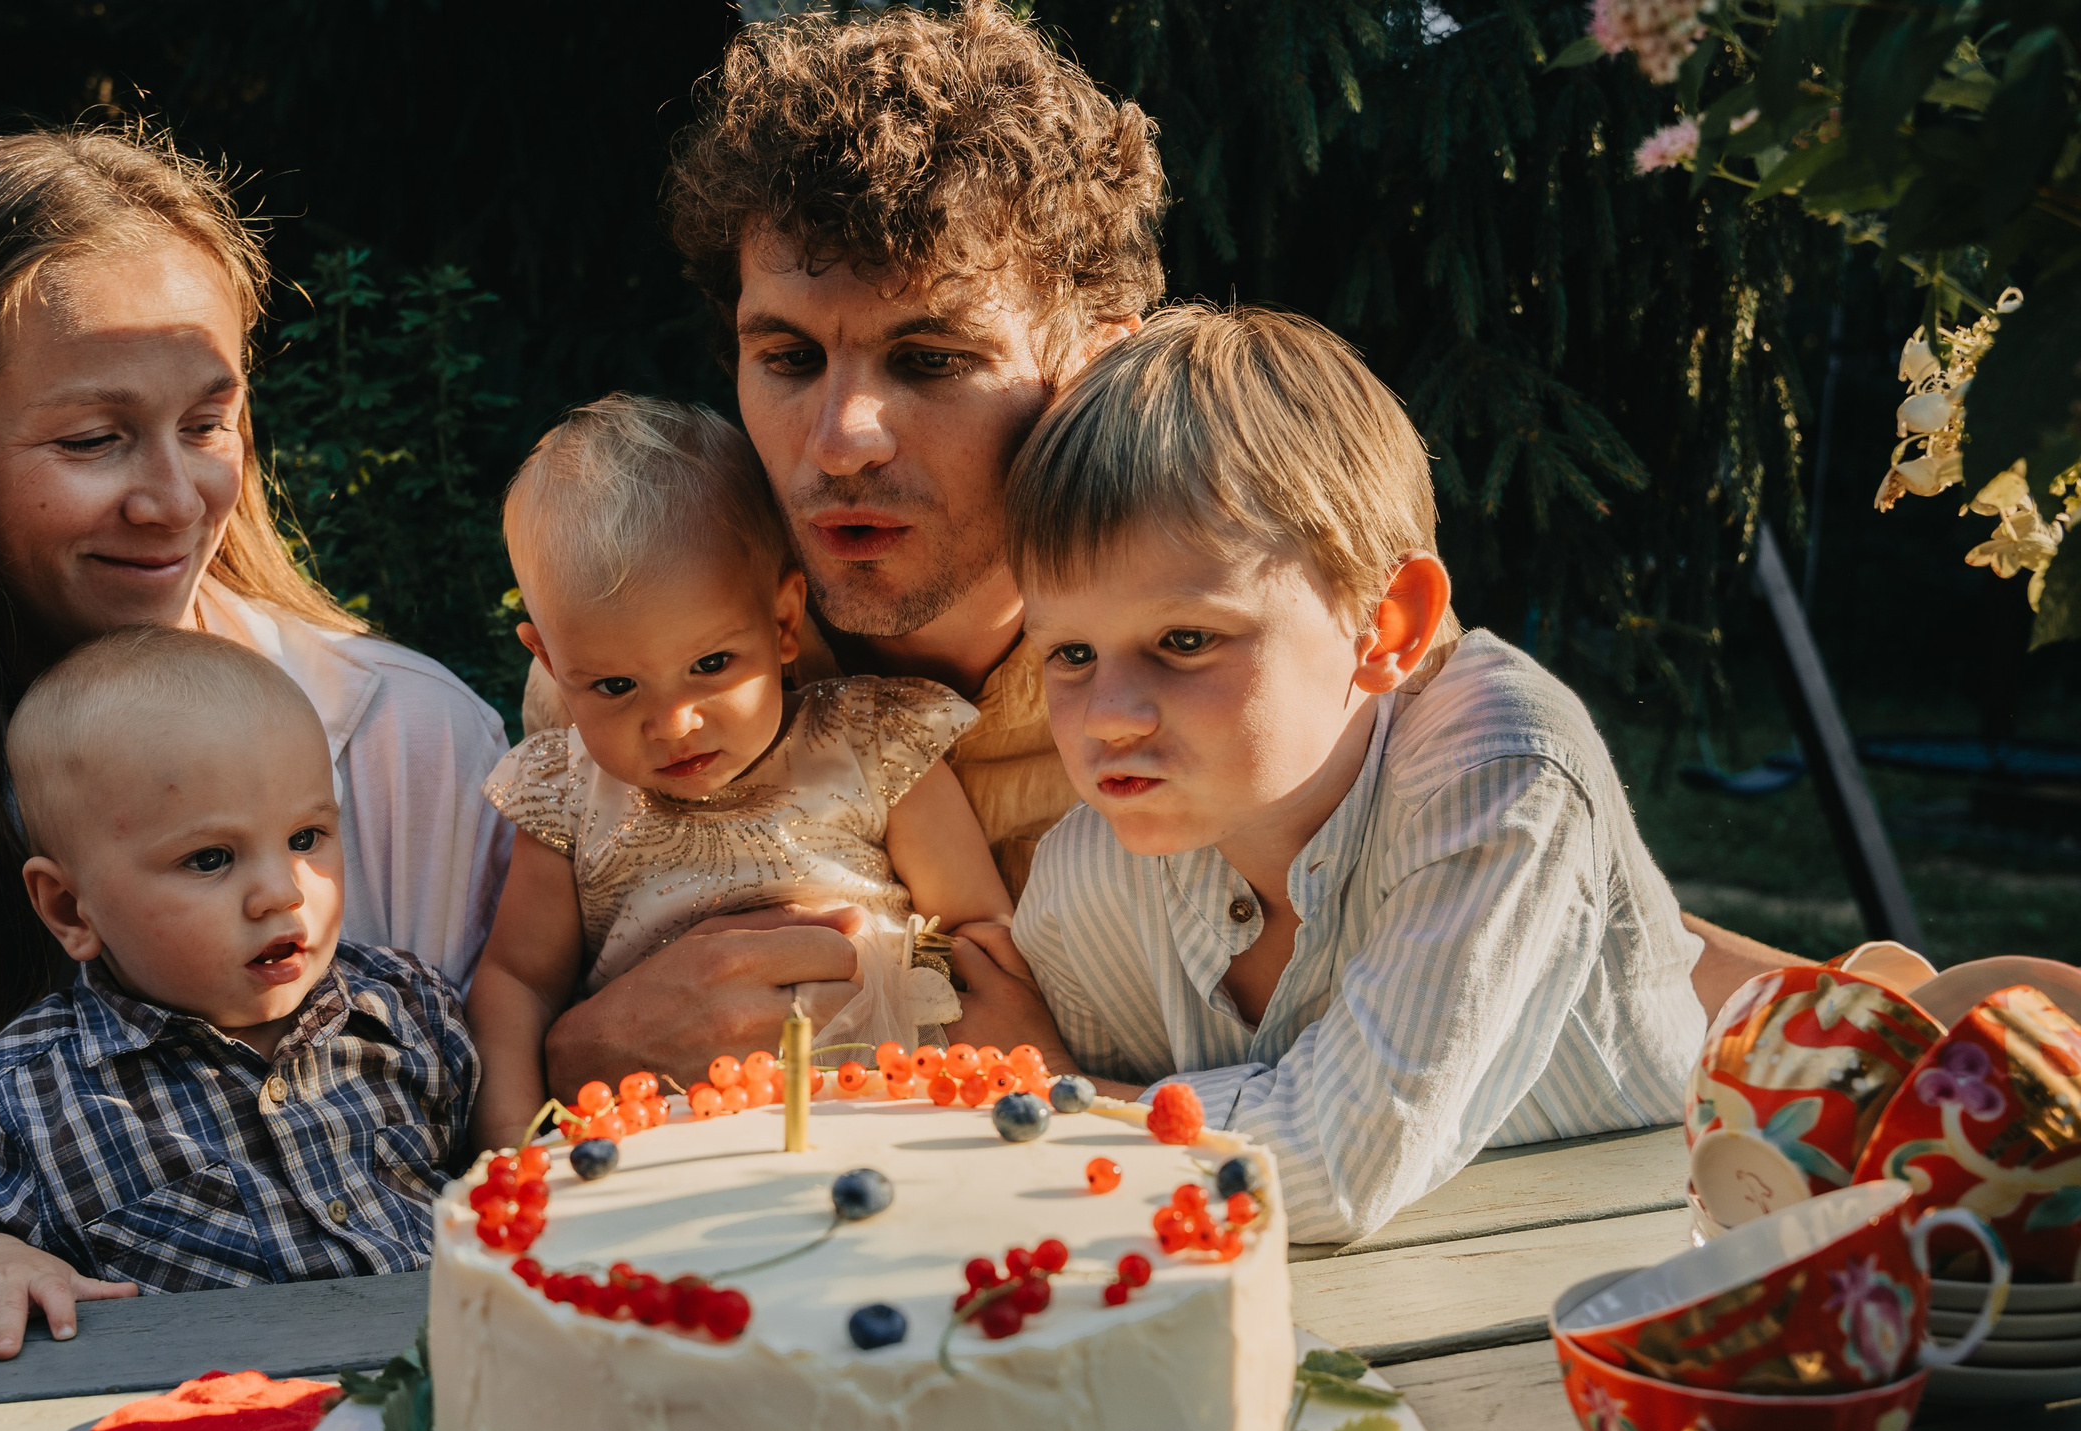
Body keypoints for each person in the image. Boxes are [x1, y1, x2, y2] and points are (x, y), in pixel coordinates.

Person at [540, 0, 1787, 1095]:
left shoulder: (1240, 628)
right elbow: (484, 996)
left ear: (1092, 360)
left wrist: (1890, 1013)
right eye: (788, 357)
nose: (842, 436)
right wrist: (580, 1048)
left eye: (929, 360)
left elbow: (1532, 919)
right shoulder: (642, 653)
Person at [0, 127, 511, 1369]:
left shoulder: (416, 741)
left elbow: (513, 1158)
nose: (172, 500)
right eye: (92, 441)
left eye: (208, 422)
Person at [999, 305, 1706, 1243]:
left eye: (1184, 639)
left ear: (1388, 626)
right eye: (1071, 653)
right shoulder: (1083, 891)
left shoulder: (1501, 768)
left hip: (1649, 1278)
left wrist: (1058, 1100)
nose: (1108, 716)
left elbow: (1331, 1167)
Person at [0, 628, 474, 1359]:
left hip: (450, 1379)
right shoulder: (32, 1097)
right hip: (211, 1415)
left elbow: (509, 1167)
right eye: (210, 858)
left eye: (306, 837)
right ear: (72, 909)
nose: (281, 892)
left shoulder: (405, 1007)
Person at [469, 396, 1010, 1147]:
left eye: (711, 665)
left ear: (784, 622)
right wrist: (512, 1145)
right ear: (551, 663)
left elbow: (980, 930)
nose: (674, 723)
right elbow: (515, 983)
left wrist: (1004, 1088)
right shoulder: (566, 795)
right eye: (615, 686)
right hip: (663, 1141)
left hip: (891, 1113)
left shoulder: (871, 742)